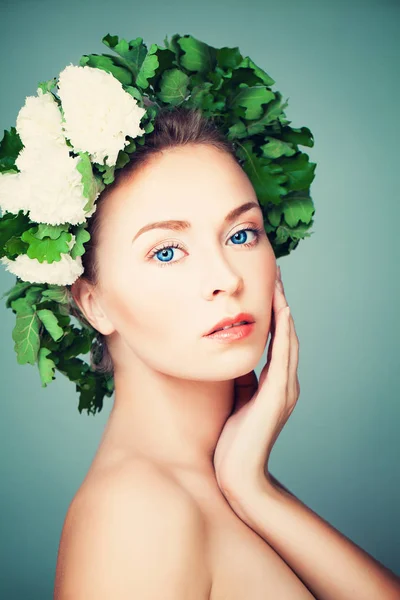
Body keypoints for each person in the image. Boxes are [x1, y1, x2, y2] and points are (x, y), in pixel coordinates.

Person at [53, 106, 317, 598]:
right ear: (94, 302)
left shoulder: (220, 481)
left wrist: (255, 489)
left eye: (241, 235)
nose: (226, 278)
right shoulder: (133, 514)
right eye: (167, 252)